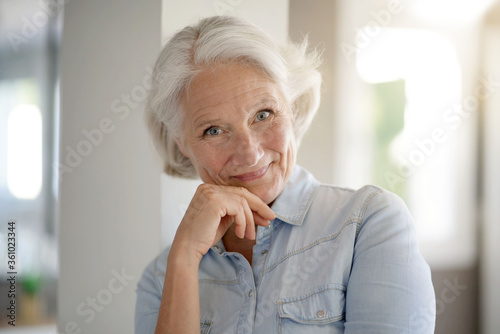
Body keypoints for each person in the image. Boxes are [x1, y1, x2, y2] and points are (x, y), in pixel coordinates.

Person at [135, 15, 435, 334]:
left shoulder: (369, 224)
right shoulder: (160, 277)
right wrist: (183, 259)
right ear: (182, 144)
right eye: (213, 130)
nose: (250, 153)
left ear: (292, 108)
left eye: (263, 114)